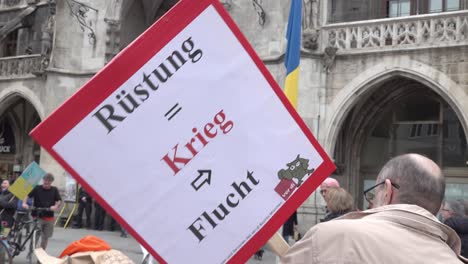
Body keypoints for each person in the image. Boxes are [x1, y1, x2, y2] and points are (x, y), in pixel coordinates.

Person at [281, 153, 468, 263]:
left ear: (387, 191)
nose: (371, 201)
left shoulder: (328, 238)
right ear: (437, 206)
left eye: (373, 192)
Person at [22, 173, 62, 250]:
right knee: (36, 234)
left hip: (49, 216)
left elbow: (59, 200)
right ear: (43, 180)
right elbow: (27, 195)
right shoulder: (37, 188)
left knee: (45, 237)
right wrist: (24, 203)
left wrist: (55, 206)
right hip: (37, 215)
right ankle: (31, 251)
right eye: (45, 181)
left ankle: (41, 255)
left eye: (48, 181)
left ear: (51, 182)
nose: (46, 183)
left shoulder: (54, 190)